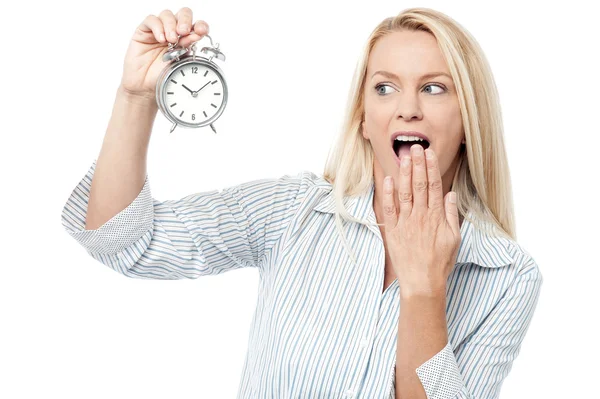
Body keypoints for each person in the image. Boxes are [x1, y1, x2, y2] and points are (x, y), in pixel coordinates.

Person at [60, 6, 543, 399]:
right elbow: (121, 241)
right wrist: (135, 96)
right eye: (385, 87)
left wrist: (423, 291)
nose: (407, 107)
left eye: (434, 88)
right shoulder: (291, 212)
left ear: (469, 122)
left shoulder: (507, 276)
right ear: (364, 120)